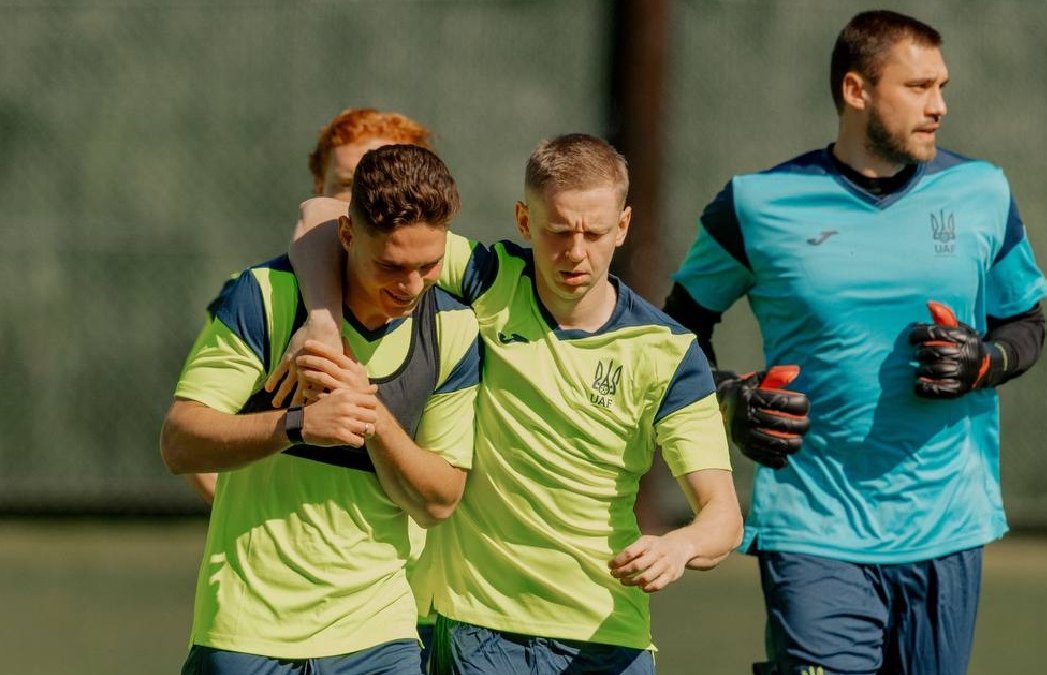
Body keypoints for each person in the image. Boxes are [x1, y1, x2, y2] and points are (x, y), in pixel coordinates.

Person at [663, 10, 1047, 675]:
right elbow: (675, 333)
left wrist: (984, 360)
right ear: (856, 90)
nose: (939, 106)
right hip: (811, 528)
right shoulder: (757, 205)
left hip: (946, 527)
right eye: (919, 87)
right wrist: (727, 400)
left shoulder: (983, 192)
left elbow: (1026, 325)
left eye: (942, 86)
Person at [288, 133, 744, 675]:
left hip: (607, 636)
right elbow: (321, 214)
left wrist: (679, 547)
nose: (575, 252)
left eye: (595, 233)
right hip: (479, 629)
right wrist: (322, 321)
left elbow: (723, 518)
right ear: (524, 221)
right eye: (558, 231)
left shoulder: (668, 351)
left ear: (623, 226)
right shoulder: (492, 279)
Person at [160, 144, 481, 675]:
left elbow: (439, 501)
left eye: (428, 266)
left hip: (379, 636)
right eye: (391, 266)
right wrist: (298, 426)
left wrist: (372, 417)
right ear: (348, 235)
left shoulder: (452, 328)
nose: (410, 286)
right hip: (246, 631)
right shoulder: (265, 298)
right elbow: (179, 442)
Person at [185, 107, 437, 504]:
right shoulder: (261, 294)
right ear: (319, 184)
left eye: (393, 180)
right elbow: (190, 442)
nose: (373, 198)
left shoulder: (446, 288)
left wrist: (322, 320)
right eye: (348, 184)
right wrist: (251, 515)